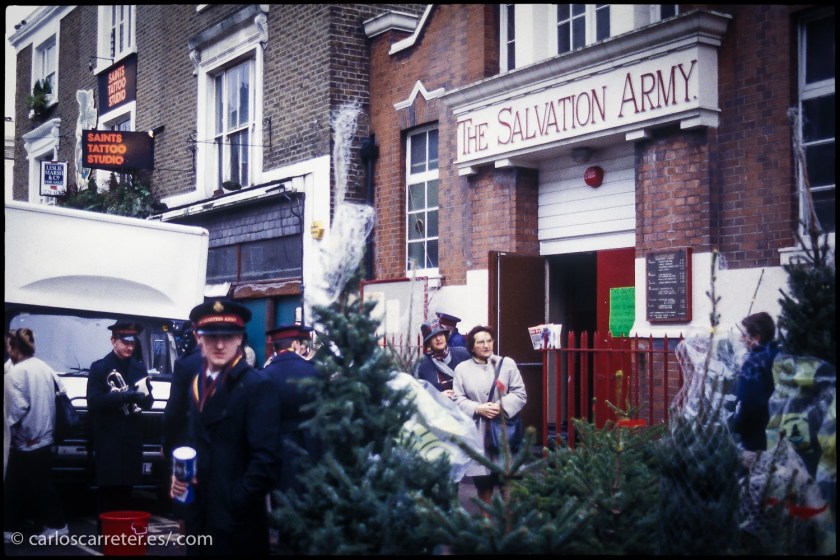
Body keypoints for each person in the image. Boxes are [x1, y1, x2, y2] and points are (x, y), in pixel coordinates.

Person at [170, 299, 280, 555]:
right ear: (199, 339)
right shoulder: (197, 383)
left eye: (228, 336)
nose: (220, 345)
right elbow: (192, 440)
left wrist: (235, 501)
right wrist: (178, 475)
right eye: (212, 337)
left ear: (240, 338)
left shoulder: (256, 386)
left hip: (236, 522)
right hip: (199, 514)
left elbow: (266, 460)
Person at [4, 329, 69, 541]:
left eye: (8, 346)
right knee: (26, 484)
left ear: (15, 348)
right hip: (46, 437)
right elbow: (62, 391)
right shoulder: (44, 367)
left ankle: (56, 525)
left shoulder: (16, 373)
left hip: (27, 440)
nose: (7, 350)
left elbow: (15, 409)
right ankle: (12, 526)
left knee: (33, 486)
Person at [452, 325, 527, 506]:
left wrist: (499, 406)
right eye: (480, 342)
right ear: (471, 346)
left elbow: (520, 393)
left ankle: (508, 525)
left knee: (507, 481)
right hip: (478, 432)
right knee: (483, 483)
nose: (486, 345)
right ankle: (486, 525)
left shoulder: (507, 364)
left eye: (489, 341)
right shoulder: (462, 369)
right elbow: (458, 399)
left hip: (504, 430)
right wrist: (477, 408)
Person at [87, 321, 154, 513]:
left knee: (127, 497)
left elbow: (149, 403)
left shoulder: (139, 368)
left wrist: (145, 397)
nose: (129, 347)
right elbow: (93, 402)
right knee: (107, 498)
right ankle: (107, 541)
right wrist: (122, 396)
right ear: (113, 341)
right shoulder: (100, 367)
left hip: (131, 441)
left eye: (133, 343)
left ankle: (122, 541)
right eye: (125, 342)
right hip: (109, 441)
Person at [262, 324, 320, 496]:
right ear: (295, 345)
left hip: (280, 445)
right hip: (313, 443)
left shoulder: (265, 374)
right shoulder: (315, 370)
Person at [731, 312, 781, 451]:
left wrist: (738, 426)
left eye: (744, 335)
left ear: (756, 337)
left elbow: (749, 401)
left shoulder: (754, 363)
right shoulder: (778, 354)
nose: (741, 339)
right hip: (778, 428)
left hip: (756, 431)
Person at [414, 319, 471, 399]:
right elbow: (416, 393)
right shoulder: (422, 365)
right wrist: (438, 396)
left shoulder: (463, 354)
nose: (438, 339)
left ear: (445, 336)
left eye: (440, 334)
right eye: (433, 337)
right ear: (428, 343)